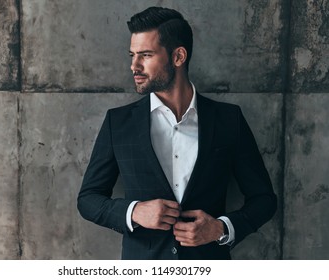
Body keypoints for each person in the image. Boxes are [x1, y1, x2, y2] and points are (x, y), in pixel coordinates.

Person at [77, 6, 277, 260]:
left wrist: (220, 229)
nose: (133, 66)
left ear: (178, 57)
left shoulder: (228, 120)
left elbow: (264, 200)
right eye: (132, 55)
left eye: (145, 55)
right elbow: (88, 199)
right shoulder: (118, 123)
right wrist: (134, 211)